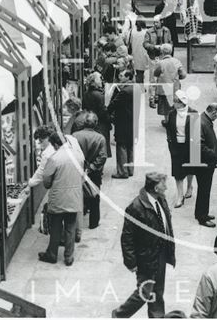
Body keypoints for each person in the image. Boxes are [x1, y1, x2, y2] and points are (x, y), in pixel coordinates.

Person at [114, 172, 175, 318]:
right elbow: (127, 237)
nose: (166, 187)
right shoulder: (135, 207)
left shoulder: (161, 200)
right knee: (144, 292)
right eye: (163, 184)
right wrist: (131, 262)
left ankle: (157, 316)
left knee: (158, 291)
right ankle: (119, 315)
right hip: (146, 257)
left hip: (160, 253)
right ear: (155, 188)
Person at [39, 132, 85, 266]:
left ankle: (52, 254)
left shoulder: (54, 158)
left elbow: (46, 181)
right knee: (70, 226)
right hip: (74, 197)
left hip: (58, 198)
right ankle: (69, 257)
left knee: (56, 226)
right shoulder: (78, 155)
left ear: (55, 144)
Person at [72, 112, 107, 229]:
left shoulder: (75, 136)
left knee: (78, 193)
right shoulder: (100, 138)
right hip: (94, 172)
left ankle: (78, 221)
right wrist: (91, 167)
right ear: (96, 123)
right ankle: (94, 222)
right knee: (94, 194)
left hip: (78, 170)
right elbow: (102, 157)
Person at [165, 90, 196, 208]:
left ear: (181, 102)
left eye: (175, 101)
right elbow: (168, 129)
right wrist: (169, 142)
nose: (173, 103)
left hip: (189, 145)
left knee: (189, 168)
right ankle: (180, 195)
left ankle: (189, 187)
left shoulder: (193, 113)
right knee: (177, 172)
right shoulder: (172, 113)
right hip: (176, 146)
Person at [196, 103, 217, 228]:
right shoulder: (202, 123)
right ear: (212, 112)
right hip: (204, 164)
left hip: (206, 162)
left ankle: (201, 213)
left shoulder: (204, 120)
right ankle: (202, 217)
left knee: (204, 189)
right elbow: (200, 146)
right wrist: (213, 155)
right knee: (204, 190)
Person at [108, 69, 136, 179]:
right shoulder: (135, 88)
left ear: (128, 77)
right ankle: (130, 169)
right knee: (130, 146)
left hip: (123, 121)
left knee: (121, 146)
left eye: (122, 76)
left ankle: (122, 171)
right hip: (132, 120)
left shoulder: (124, 91)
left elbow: (113, 104)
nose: (120, 78)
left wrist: (107, 111)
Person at [154, 43, 187, 126]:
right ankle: (174, 121)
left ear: (162, 52)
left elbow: (156, 74)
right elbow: (183, 74)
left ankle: (167, 121)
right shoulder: (177, 62)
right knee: (174, 104)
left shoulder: (161, 63)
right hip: (174, 87)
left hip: (164, 88)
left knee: (165, 105)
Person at [144, 15, 173, 107]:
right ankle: (151, 98)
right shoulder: (149, 31)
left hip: (163, 57)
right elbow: (145, 44)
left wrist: (167, 47)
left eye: (157, 22)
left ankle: (157, 96)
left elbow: (170, 41)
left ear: (161, 22)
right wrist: (154, 47)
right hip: (153, 57)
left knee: (162, 78)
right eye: (154, 22)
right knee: (152, 79)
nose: (155, 24)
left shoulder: (167, 31)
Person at [83, 71, 112, 158]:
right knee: (101, 147)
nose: (101, 81)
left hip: (91, 120)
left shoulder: (86, 93)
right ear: (95, 81)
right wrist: (109, 120)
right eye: (100, 79)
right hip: (101, 123)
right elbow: (103, 111)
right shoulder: (99, 95)